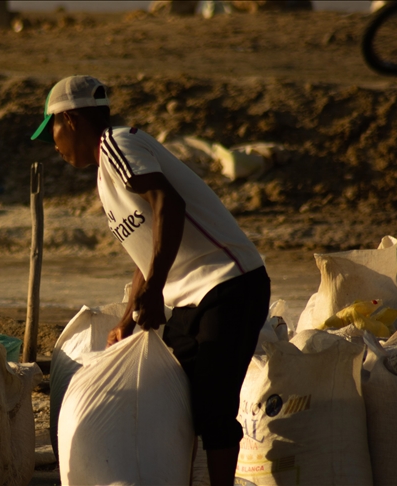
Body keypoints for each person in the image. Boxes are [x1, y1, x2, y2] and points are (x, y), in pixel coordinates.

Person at [31, 75, 270, 485]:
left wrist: (156, 291)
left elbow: (168, 202)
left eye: (51, 128)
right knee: (176, 399)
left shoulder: (119, 145)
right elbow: (146, 251)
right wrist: (127, 316)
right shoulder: (107, 175)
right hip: (191, 298)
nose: (52, 141)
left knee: (213, 407)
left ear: (70, 120)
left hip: (229, 283)